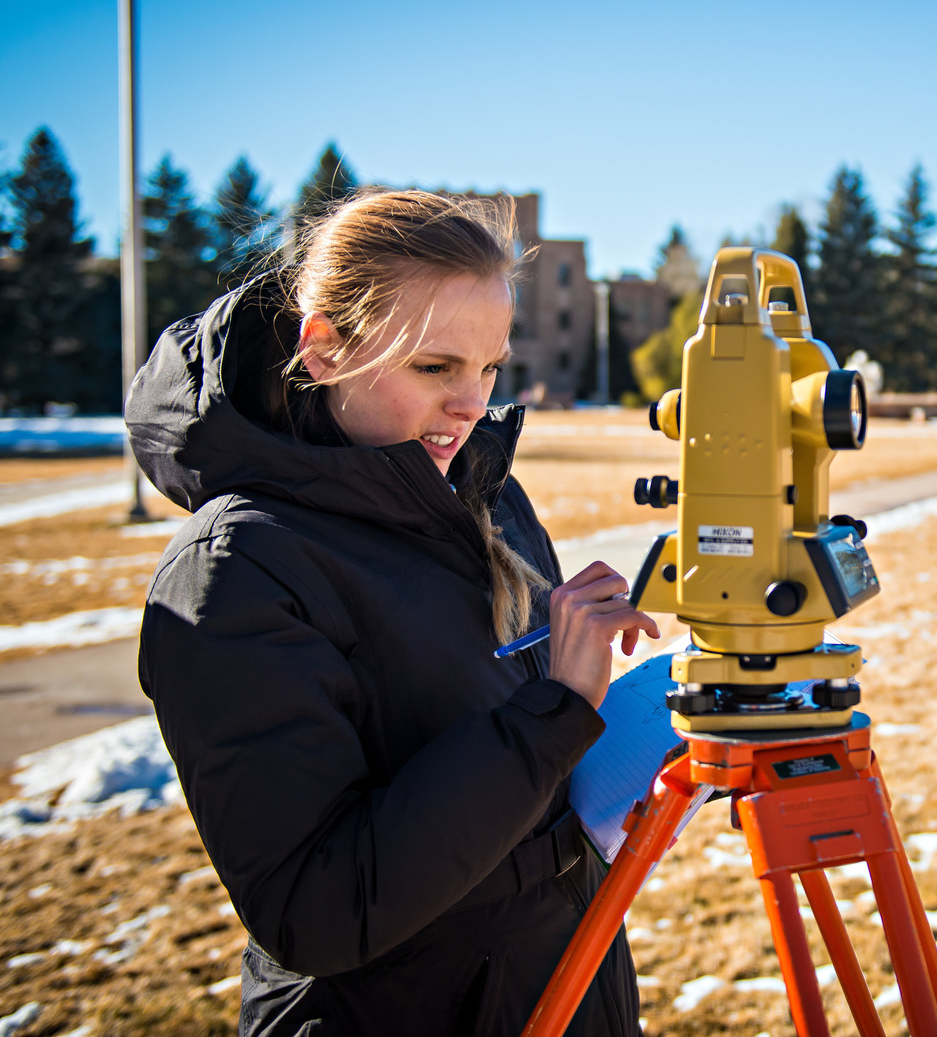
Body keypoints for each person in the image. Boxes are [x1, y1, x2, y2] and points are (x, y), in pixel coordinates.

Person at [127, 189, 659, 1036]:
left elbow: (502, 782)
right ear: (326, 351)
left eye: (490, 367)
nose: (473, 404)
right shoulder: (237, 570)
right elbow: (321, 910)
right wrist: (553, 713)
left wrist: (606, 758)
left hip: (560, 979)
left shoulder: (490, 496)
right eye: (435, 367)